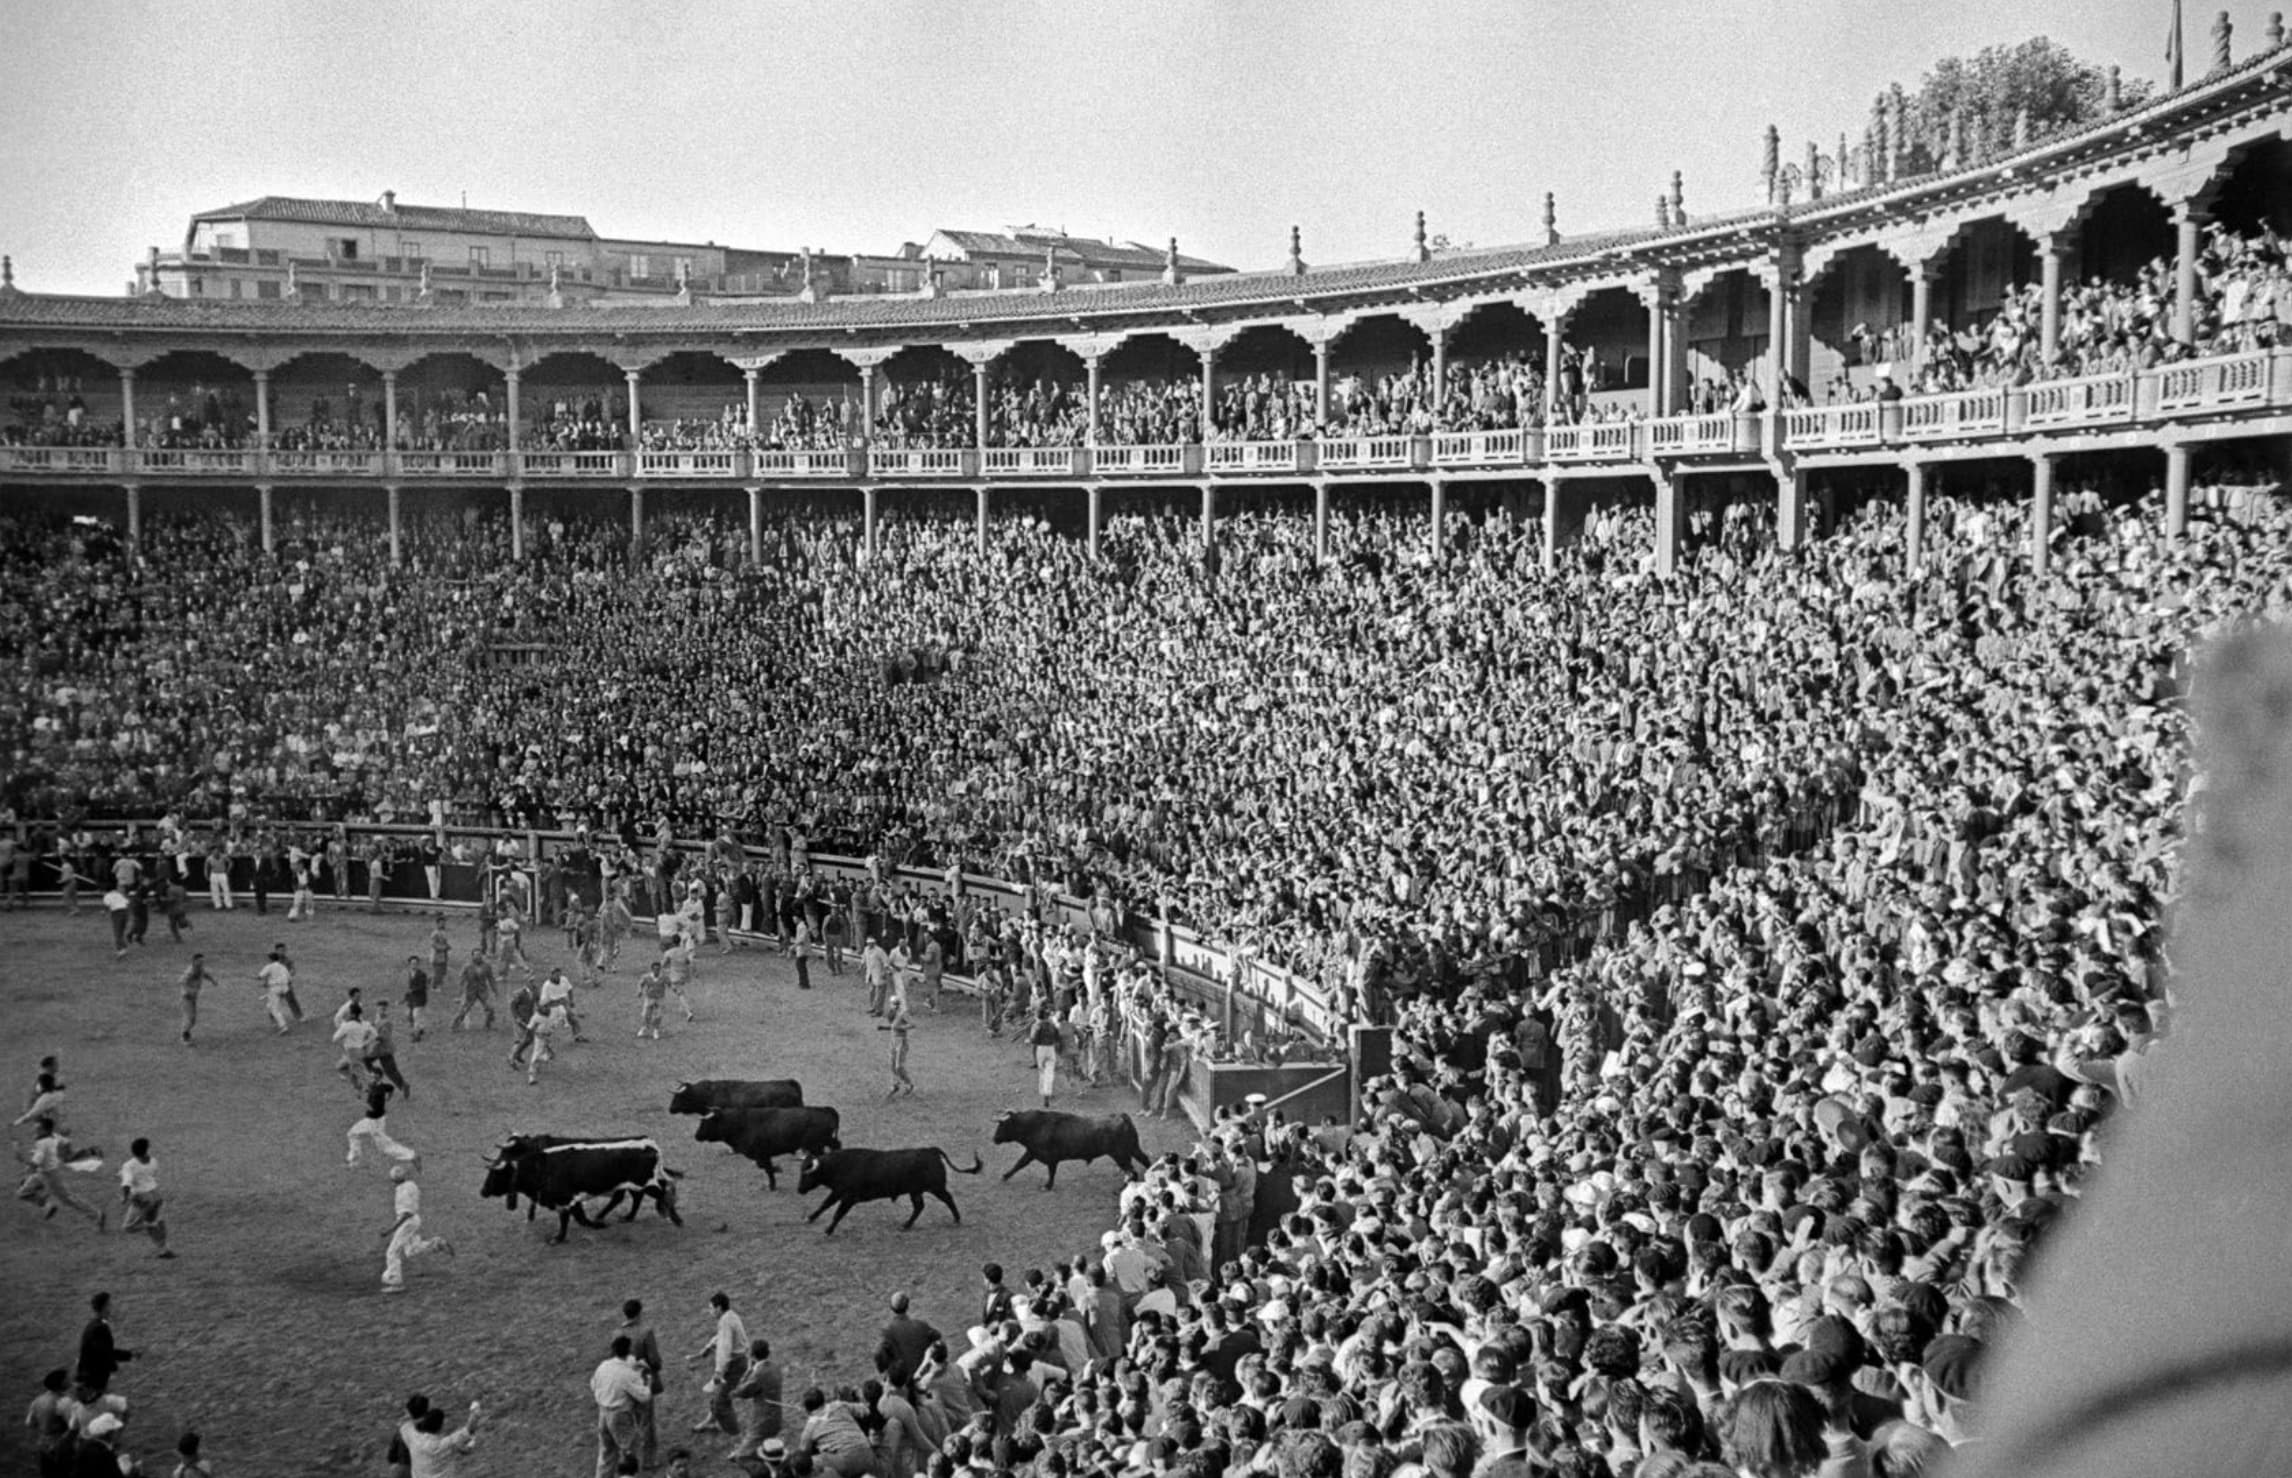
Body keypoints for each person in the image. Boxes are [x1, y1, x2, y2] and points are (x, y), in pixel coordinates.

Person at [381, 1163, 452, 1294]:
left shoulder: (401, 1192)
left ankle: (395, 1282)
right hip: (414, 1220)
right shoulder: (411, 1185)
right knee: (411, 1250)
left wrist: (390, 1230)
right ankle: (436, 1244)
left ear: (392, 1180)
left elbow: (406, 1214)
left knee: (392, 1252)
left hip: (407, 1223)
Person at [592, 1335, 654, 1478]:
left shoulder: (603, 1366)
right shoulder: (626, 1374)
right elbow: (644, 1396)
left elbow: (593, 1385)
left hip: (603, 1413)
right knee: (630, 1453)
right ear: (629, 1350)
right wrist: (648, 1382)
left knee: (606, 1453)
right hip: (620, 1416)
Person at [24, 1119, 103, 1231]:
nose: (34, 1130)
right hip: (45, 1170)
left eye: (38, 1128)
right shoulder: (48, 1137)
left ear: (44, 1130)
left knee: (67, 1198)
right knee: (25, 1190)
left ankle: (96, 1215)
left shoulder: (44, 1141)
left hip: (50, 1172)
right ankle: (47, 1204)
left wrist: (28, 1160)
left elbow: (38, 1160)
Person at [688, 1291, 748, 1433]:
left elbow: (724, 1348)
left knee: (722, 1401)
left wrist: (718, 1372)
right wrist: (708, 1347)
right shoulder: (730, 1316)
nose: (710, 1312)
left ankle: (733, 1431)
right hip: (738, 1362)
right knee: (718, 1395)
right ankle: (710, 1421)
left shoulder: (726, 1322)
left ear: (719, 1308)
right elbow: (721, 1337)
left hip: (735, 1366)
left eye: (711, 1308)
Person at [619, 1300, 665, 1469]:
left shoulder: (618, 1333)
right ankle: (649, 1460)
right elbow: (654, 1359)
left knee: (629, 1422)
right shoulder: (645, 1332)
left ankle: (628, 1458)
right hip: (643, 1381)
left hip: (623, 1382)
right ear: (639, 1313)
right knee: (647, 1422)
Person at [729, 1336, 783, 1465]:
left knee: (743, 1455)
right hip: (777, 1415)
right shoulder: (775, 1367)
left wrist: (748, 1370)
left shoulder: (758, 1374)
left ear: (752, 1355)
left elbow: (742, 1391)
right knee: (763, 1442)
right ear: (768, 1353)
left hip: (763, 1418)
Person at [346, 1076, 418, 1171]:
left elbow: (371, 1108)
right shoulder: (379, 1085)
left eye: (371, 1077)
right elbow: (390, 1088)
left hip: (375, 1122)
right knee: (353, 1133)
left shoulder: (377, 1093)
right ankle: (354, 1162)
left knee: (385, 1147)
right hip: (371, 1120)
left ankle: (411, 1156)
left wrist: (360, 1099)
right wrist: (356, 1084)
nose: (368, 1078)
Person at [117, 1138, 172, 1259]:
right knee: (152, 1221)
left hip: (142, 1199)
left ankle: (154, 1225)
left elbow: (126, 1184)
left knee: (128, 1227)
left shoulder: (128, 1165)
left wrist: (124, 1198)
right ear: (146, 1149)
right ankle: (164, 1250)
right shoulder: (153, 1161)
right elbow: (149, 1175)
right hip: (156, 1196)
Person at [400, 1400, 481, 1478]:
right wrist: (475, 1412)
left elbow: (406, 1420)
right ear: (441, 1426)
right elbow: (470, 1428)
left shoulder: (412, 1437)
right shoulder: (446, 1444)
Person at [75, 1293, 133, 1395]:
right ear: (104, 1307)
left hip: (89, 1375)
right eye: (109, 1305)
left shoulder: (94, 1324)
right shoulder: (99, 1328)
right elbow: (105, 1353)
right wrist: (128, 1356)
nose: (111, 1308)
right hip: (93, 1378)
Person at [26, 1369, 75, 1478]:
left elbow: (29, 1423)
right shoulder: (64, 1402)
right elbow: (73, 1427)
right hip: (61, 1447)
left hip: (43, 1445)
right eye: (68, 1378)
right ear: (62, 1383)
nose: (71, 1379)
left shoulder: (37, 1400)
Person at [366, 1000, 413, 1101]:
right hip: (376, 1049)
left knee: (391, 1071)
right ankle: (377, 1074)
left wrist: (370, 1038)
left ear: (387, 1010)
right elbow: (374, 1027)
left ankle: (404, 1085)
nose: (382, 1011)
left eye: (384, 1009)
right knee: (365, 1061)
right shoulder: (377, 1018)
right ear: (377, 1008)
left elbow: (382, 1037)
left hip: (384, 1050)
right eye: (380, 1008)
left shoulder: (387, 1022)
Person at [332, 1003, 378, 1095]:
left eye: (348, 1013)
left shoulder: (348, 1026)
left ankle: (374, 1085)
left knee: (359, 1070)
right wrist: (365, 1042)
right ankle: (359, 1085)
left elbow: (335, 1038)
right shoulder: (365, 1024)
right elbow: (375, 1034)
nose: (347, 1014)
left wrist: (343, 1032)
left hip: (352, 1052)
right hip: (360, 1050)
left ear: (352, 1014)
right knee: (341, 1067)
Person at [879, 994, 915, 1099]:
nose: (895, 1005)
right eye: (893, 1004)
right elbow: (893, 1027)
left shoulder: (903, 1013)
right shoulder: (891, 1013)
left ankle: (909, 1084)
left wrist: (902, 1027)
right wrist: (884, 1028)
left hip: (901, 1042)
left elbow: (912, 1024)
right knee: (892, 1065)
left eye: (896, 1004)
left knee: (898, 1066)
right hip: (893, 1041)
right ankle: (895, 1085)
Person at [451, 950, 497, 1032]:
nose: (478, 957)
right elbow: (461, 980)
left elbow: (491, 978)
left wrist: (495, 990)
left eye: (479, 955)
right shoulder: (467, 966)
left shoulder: (486, 966)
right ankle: (454, 1025)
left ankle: (488, 1025)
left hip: (483, 990)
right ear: (472, 956)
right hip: (470, 991)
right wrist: (460, 993)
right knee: (464, 1009)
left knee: (490, 1008)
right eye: (476, 955)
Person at [256, 947, 296, 1035]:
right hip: (284, 989)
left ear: (270, 959)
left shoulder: (269, 966)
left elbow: (260, 976)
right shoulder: (283, 967)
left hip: (274, 990)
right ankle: (274, 1022)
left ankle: (283, 1027)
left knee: (275, 1009)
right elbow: (289, 979)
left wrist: (257, 978)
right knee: (270, 1006)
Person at [177, 954, 214, 1046]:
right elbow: (181, 981)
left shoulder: (200, 969)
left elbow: (205, 974)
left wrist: (213, 980)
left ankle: (186, 1033)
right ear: (194, 961)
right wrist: (189, 991)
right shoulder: (190, 971)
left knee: (193, 1020)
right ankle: (184, 1037)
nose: (202, 963)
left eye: (203, 961)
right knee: (189, 1018)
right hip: (186, 998)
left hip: (193, 998)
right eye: (200, 961)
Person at [1030, 1007, 1061, 1108]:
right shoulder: (1052, 1025)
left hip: (1041, 1048)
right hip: (1050, 1048)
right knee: (1050, 1071)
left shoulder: (1037, 1025)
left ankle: (1043, 1091)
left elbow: (1033, 1039)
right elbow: (1057, 1036)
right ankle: (1048, 1091)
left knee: (1042, 1071)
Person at [403, 956, 431, 1041]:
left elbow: (423, 986)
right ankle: (420, 1028)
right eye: (412, 963)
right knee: (409, 1015)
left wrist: (412, 990)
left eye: (415, 963)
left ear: (418, 964)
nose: (413, 965)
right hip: (412, 999)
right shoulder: (409, 973)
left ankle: (416, 1035)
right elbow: (410, 987)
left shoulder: (422, 974)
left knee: (416, 1015)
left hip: (420, 998)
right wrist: (406, 998)